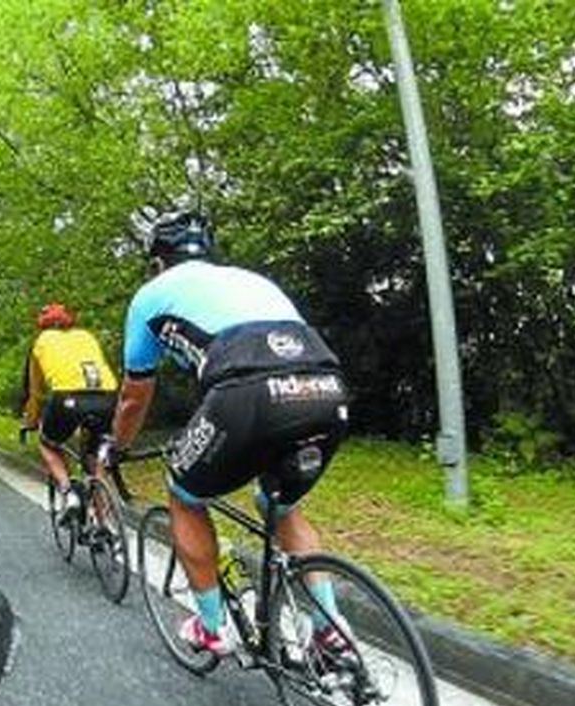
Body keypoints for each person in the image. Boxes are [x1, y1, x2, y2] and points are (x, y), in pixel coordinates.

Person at [102, 211, 350, 659]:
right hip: (326, 387)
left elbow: (135, 397)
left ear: (157, 262)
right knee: (280, 504)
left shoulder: (149, 297)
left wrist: (117, 447)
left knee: (184, 494)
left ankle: (212, 628)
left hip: (249, 393)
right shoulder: (249, 279)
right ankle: (328, 630)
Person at [19, 301, 119, 520]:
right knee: (94, 453)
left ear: (42, 326)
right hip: (107, 397)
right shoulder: (86, 336)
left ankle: (69, 492)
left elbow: (36, 393)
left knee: (48, 444)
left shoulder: (41, 342)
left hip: (67, 398)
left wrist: (31, 421)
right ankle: (104, 521)